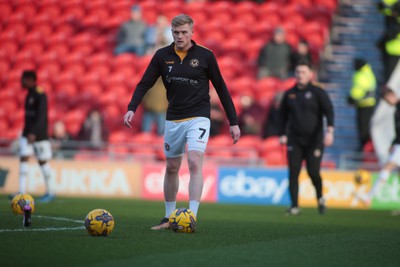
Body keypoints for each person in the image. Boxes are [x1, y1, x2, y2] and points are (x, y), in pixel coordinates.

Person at [123, 14, 241, 230]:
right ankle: (168, 218)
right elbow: (144, 83)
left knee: (195, 161)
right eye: (176, 32)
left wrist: (233, 121)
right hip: (174, 118)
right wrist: (132, 108)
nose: (180, 36)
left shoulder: (206, 56)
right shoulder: (162, 56)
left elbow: (222, 88)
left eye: (184, 32)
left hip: (199, 116)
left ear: (192, 32)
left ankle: (191, 218)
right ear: (171, 32)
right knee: (171, 167)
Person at [279, 60, 335, 215]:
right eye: (298, 72)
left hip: (314, 140)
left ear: (311, 74)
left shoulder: (318, 92)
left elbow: (328, 111)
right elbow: (282, 116)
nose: (300, 75)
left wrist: (330, 131)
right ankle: (295, 206)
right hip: (295, 140)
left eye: (303, 72)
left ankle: (320, 197)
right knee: (293, 172)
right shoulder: (290, 94)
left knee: (313, 172)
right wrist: (282, 134)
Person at [12, 70, 55, 202]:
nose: (21, 82)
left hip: (39, 135)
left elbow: (42, 116)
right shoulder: (29, 94)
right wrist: (27, 132)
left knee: (43, 162)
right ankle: (21, 191)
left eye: (23, 79)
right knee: (23, 158)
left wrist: (34, 133)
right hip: (26, 133)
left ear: (30, 79)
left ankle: (50, 192)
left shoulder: (40, 95)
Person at [358, 88, 400, 207]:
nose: (388, 103)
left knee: (387, 167)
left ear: (392, 95)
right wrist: (393, 143)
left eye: (388, 99)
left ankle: (369, 196)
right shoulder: (396, 109)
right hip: (398, 144)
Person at [347, 58, 377, 150]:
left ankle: (365, 148)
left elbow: (358, 90)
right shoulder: (368, 72)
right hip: (369, 103)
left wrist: (351, 98)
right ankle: (366, 147)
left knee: (363, 128)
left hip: (364, 104)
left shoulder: (361, 75)